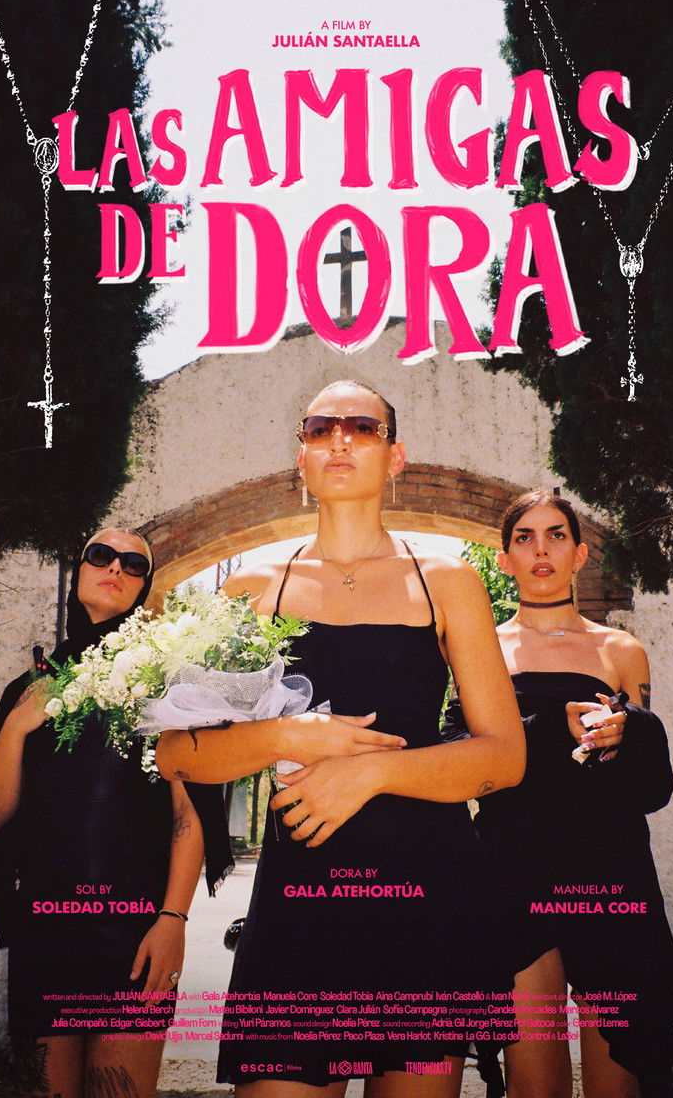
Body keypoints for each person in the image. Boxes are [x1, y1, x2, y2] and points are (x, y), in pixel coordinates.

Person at [155, 379, 526, 1096]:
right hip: (301, 895)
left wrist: (368, 772)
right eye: (320, 428)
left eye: (362, 426)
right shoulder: (251, 589)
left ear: (395, 457)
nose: (340, 439)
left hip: (424, 893)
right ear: (301, 455)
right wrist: (288, 733)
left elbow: (505, 756)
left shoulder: (447, 581)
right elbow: (178, 754)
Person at [0, 528, 231, 1098]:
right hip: (45, 929)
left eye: (133, 564)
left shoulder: (167, 684)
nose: (115, 569)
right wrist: (16, 727)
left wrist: (174, 921)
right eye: (101, 556)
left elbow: (190, 814)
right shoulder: (29, 686)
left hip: (135, 931)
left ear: (144, 588)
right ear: (79, 569)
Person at [447, 491, 673, 1098]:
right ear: (504, 559)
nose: (541, 550)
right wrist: (554, 730)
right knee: (535, 1081)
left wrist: (630, 733)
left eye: (556, 535)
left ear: (579, 555)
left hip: (609, 868)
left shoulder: (621, 650)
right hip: (512, 868)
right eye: (524, 537)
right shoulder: (477, 650)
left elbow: (651, 788)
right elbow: (461, 758)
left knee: (618, 1074)